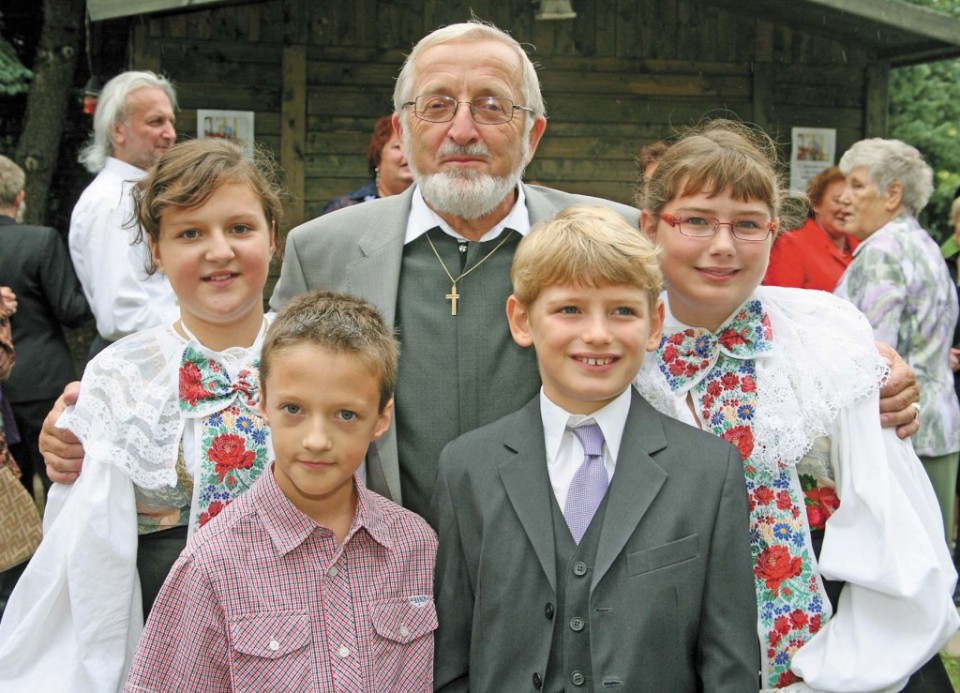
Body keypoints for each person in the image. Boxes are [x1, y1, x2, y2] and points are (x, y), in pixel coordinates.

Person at [42, 20, 921, 519]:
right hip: (377, 559)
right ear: (404, 128)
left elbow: (717, 299)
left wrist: (861, 360)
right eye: (438, 106)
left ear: (532, 132)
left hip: (571, 567)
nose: (463, 127)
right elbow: (248, 370)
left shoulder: (607, 231)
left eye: (492, 106)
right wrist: (102, 408)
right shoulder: (323, 248)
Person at [636, 120, 958, 691]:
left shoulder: (824, 341)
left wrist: (841, 672)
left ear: (774, 232)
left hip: (832, 655)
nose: (722, 245)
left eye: (748, 224)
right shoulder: (616, 353)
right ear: (648, 226)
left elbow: (893, 534)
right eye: (696, 220)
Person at [433, 205, 758, 691]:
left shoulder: (709, 472)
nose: (598, 334)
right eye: (570, 309)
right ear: (522, 320)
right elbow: (451, 657)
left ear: (653, 325)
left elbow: (729, 663)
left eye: (623, 310)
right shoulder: (467, 467)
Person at [0, 138, 282, 692]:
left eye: (240, 228)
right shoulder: (120, 374)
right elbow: (85, 553)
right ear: (156, 249)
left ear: (273, 235)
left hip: (298, 633)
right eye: (190, 233)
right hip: (158, 636)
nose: (219, 250)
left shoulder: (318, 357)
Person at [124, 290, 437, 692]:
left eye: (346, 414)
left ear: (381, 419)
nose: (317, 439)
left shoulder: (415, 546)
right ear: (263, 400)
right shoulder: (211, 564)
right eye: (294, 409)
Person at [834, 138, 960, 547]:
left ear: (893, 194)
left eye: (856, 185)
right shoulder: (922, 243)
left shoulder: (881, 252)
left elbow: (873, 357)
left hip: (898, 433)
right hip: (938, 424)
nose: (843, 197)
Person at [70, 70, 180, 357]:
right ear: (117, 130)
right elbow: (121, 316)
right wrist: (201, 330)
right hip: (137, 358)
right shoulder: (112, 202)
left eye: (171, 121)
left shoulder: (134, 193)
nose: (170, 133)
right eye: (156, 121)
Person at [0, 155, 90, 499]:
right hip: (42, 378)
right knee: (61, 483)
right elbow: (72, 311)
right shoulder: (40, 241)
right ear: (20, 197)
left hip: (2, 388)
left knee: (9, 492)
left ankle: (18, 554)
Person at [763, 166, 859, 291]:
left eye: (851, 202)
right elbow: (781, 301)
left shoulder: (861, 245)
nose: (846, 208)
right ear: (816, 203)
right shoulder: (792, 244)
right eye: (838, 200)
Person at [320, 114, 414, 214]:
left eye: (413, 147)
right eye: (397, 147)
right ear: (377, 156)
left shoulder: (430, 210)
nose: (408, 154)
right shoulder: (344, 210)